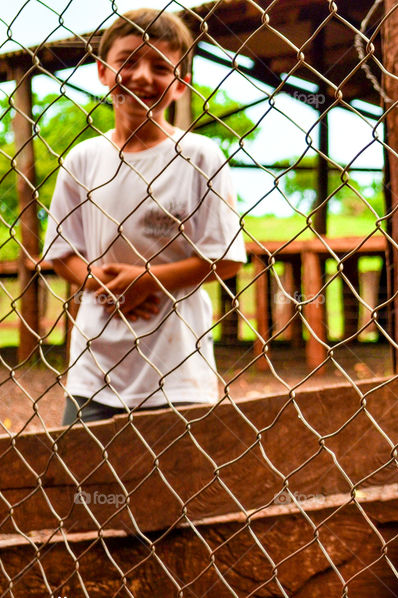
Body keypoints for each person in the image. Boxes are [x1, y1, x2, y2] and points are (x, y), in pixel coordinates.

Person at [42, 8, 246, 425]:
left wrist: (147, 281)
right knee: (82, 479)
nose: (142, 77)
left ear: (181, 84)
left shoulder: (199, 156)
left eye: (160, 66)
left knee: (179, 487)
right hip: (94, 372)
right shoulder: (83, 160)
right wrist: (104, 285)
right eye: (127, 61)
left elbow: (225, 257)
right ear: (102, 71)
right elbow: (61, 252)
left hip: (177, 371)